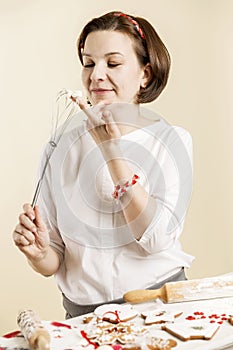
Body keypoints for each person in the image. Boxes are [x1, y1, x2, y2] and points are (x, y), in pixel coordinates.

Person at [13, 11, 194, 319]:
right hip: (84, 317)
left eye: (112, 63)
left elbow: (155, 238)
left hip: (160, 310)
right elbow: (53, 258)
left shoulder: (171, 141)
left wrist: (111, 153)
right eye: (88, 62)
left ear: (145, 75)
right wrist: (39, 252)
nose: (96, 75)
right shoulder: (58, 148)